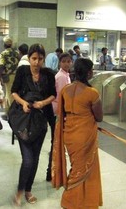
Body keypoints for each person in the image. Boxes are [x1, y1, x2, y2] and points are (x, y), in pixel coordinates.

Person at [52, 58, 103, 209]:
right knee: (84, 169)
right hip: (85, 134)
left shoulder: (65, 90)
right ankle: (71, 201)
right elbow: (99, 117)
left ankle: (80, 201)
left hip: (69, 134)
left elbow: (61, 114)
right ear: (88, 72)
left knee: (76, 167)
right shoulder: (92, 93)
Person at [11, 43, 56, 206]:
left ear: (44, 59)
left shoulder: (48, 74)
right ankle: (20, 190)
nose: (36, 62)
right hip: (23, 119)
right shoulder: (22, 71)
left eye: (40, 59)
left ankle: (28, 189)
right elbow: (13, 91)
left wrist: (43, 103)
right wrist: (23, 103)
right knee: (28, 159)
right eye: (34, 58)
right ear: (28, 58)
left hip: (40, 120)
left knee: (35, 158)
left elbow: (53, 95)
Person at [46, 53, 72, 181]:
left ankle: (53, 171)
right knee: (56, 142)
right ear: (60, 63)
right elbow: (62, 97)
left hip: (59, 111)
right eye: (64, 61)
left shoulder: (66, 75)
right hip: (57, 112)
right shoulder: (61, 77)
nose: (66, 64)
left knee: (56, 141)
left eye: (69, 61)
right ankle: (51, 172)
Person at [0, 36, 19, 120]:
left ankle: (11, 113)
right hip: (16, 75)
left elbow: (1, 65)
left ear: (5, 44)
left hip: (8, 76)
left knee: (9, 94)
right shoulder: (17, 53)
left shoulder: (3, 53)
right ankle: (7, 112)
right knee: (11, 93)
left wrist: (0, 77)